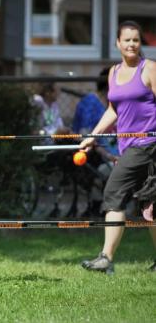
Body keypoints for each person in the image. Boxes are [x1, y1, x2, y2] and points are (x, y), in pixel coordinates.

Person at [80, 20, 156, 274]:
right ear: (118, 43)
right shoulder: (113, 73)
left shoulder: (149, 69)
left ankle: (106, 258)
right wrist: (93, 135)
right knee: (150, 206)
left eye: (136, 39)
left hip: (148, 145)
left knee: (113, 191)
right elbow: (114, 110)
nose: (132, 44)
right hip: (128, 145)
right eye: (127, 40)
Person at [72, 72, 119, 217]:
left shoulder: (112, 103)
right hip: (97, 153)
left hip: (115, 151)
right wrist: (109, 156)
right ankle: (101, 205)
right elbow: (85, 134)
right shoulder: (91, 102)